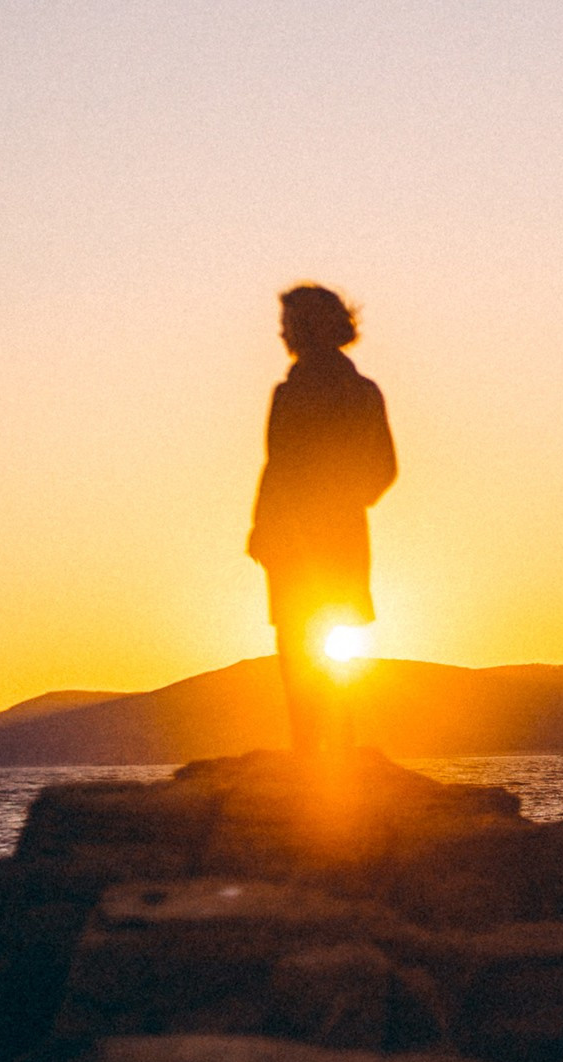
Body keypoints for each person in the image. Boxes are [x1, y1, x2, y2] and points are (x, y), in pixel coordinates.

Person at [248, 284, 397, 751]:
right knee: (314, 649)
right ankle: (324, 755)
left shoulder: (325, 393)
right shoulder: (347, 391)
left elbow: (378, 469)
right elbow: (381, 470)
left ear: (309, 326)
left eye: (288, 323)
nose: (281, 332)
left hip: (310, 541)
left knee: (308, 649)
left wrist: (325, 503)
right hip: (312, 539)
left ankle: (323, 758)